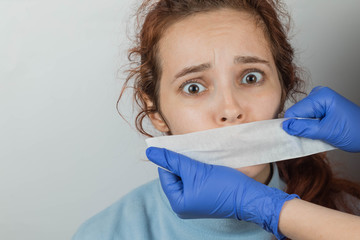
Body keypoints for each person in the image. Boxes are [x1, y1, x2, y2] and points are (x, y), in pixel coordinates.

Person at [72, 0, 360, 239]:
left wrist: (267, 209)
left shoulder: (346, 212)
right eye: (194, 87)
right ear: (155, 112)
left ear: (284, 87)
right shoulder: (106, 233)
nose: (231, 109)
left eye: (251, 77)